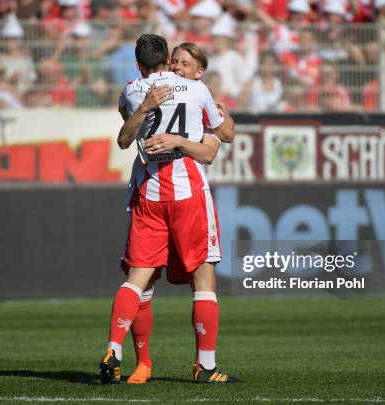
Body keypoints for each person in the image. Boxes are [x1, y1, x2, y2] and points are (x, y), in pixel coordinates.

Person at [99, 33, 235, 384]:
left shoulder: (131, 90)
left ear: (139, 63)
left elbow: (125, 137)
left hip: (149, 191)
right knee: (203, 278)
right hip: (188, 189)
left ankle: (116, 348)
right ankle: (205, 365)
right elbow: (225, 132)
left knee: (138, 279)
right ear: (168, 59)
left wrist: (147, 109)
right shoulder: (196, 89)